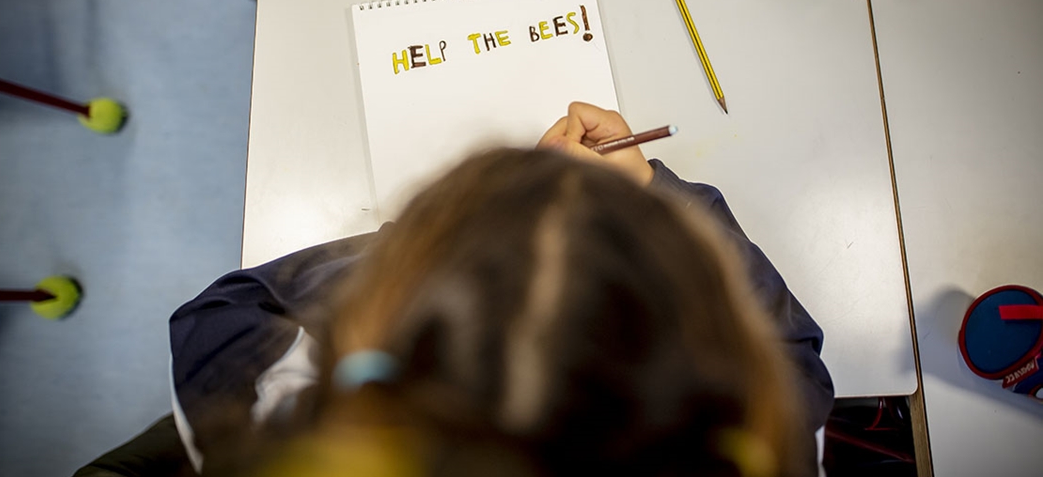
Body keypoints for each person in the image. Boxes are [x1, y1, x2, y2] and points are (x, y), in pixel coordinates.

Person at [169, 103, 835, 476]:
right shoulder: (753, 440)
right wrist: (649, 195)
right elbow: (794, 365)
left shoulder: (289, 429)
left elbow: (221, 313)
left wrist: (443, 242)